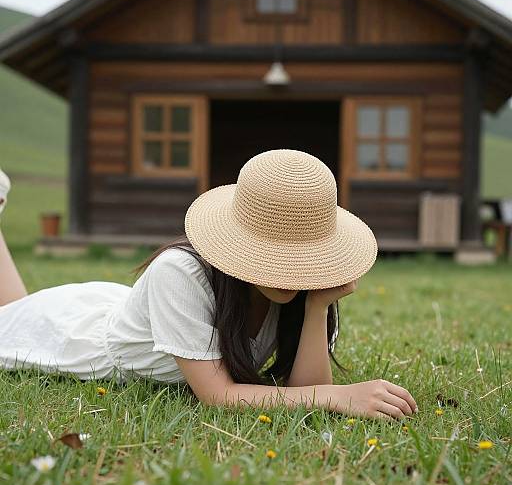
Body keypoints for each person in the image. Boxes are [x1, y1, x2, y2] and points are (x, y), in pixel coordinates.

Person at [0, 149, 418, 420]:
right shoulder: (178, 274)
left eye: (300, 256)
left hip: (130, 311)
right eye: (277, 256)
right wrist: (339, 397)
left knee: (13, 305)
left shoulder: (301, 292)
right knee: (11, 319)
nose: (290, 273)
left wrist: (316, 307)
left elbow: (307, 387)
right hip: (76, 336)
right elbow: (218, 395)